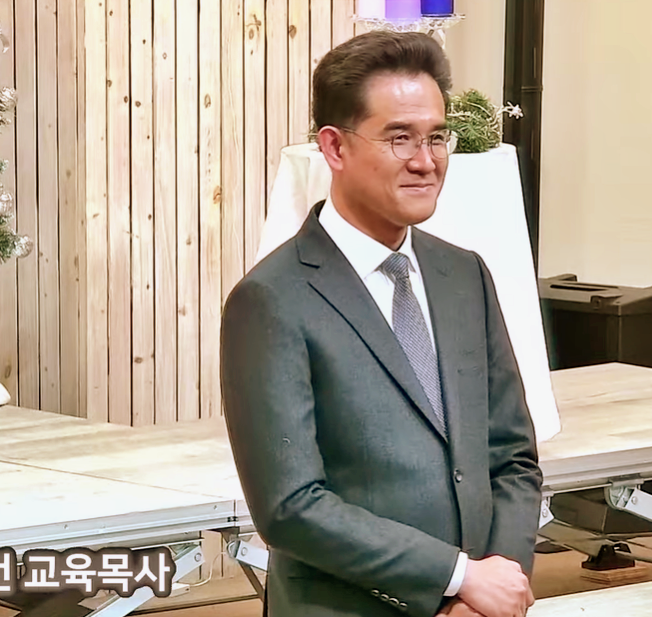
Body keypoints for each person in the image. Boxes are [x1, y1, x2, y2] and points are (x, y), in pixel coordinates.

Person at [220, 30, 543, 617]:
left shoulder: (463, 275)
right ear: (335, 147)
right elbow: (290, 506)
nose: (426, 161)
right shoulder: (271, 300)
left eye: (436, 137)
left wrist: (494, 585)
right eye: (400, 138)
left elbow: (512, 455)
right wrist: (457, 577)